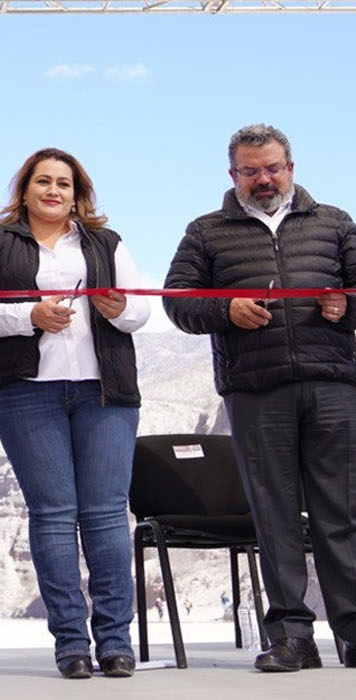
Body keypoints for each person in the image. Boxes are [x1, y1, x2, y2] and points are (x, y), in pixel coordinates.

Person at [165, 123, 356, 672]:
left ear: (291, 167)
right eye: (251, 171)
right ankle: (292, 637)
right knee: (272, 516)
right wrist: (225, 311)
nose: (264, 178)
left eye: (272, 168)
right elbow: (178, 302)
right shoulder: (206, 231)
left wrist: (346, 305)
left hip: (333, 384)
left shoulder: (335, 222)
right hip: (255, 391)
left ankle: (351, 632)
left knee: (340, 511)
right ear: (234, 176)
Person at [0, 147, 150, 679]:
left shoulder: (106, 243)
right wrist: (31, 315)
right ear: (24, 190)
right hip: (29, 392)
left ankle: (115, 642)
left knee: (106, 516)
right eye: (43, 181)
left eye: (64, 184)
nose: (53, 191)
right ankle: (71, 644)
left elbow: (140, 307)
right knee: (52, 516)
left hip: (104, 391)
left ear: (78, 193)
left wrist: (120, 308)